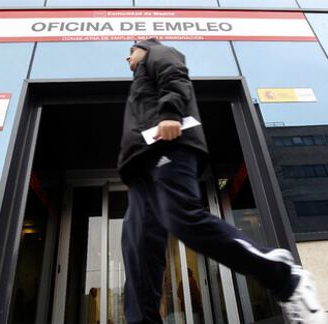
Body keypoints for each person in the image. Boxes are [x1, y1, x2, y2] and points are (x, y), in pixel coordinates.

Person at [118, 38, 326, 324]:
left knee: (184, 220)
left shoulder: (159, 52)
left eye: (130, 52)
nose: (126, 59)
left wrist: (170, 113)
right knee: (138, 248)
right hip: (142, 167)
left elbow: (174, 74)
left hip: (169, 145)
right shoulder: (140, 80)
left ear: (143, 47)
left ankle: (285, 277)